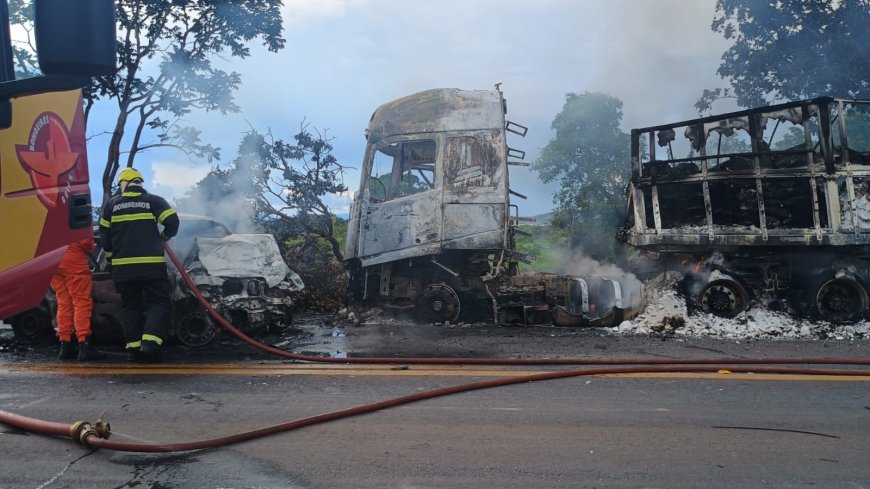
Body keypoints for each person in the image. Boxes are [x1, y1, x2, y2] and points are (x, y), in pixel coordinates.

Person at [99, 167, 179, 363]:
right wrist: (163, 238)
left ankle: (133, 349)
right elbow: (173, 222)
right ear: (140, 183)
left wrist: (110, 258)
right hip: (151, 267)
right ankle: (150, 346)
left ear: (123, 184)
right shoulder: (153, 201)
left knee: (130, 306)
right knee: (158, 302)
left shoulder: (111, 206)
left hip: (123, 270)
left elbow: (105, 237)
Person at [51, 237, 105, 361]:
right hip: (74, 262)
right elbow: (86, 242)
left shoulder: (49, 217)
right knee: (81, 303)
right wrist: (92, 246)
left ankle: (65, 345)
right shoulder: (74, 217)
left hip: (54, 261)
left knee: (64, 303)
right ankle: (84, 345)